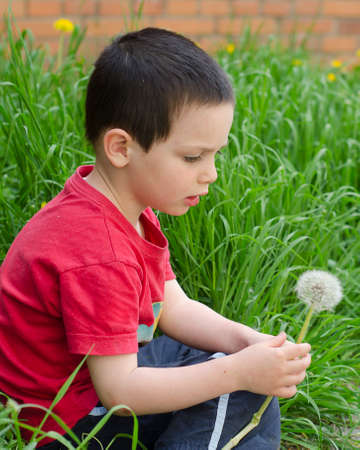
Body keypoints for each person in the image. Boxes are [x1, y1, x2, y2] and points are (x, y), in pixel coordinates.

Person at [0, 28, 311, 449]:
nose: (211, 173)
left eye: (216, 153)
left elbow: (172, 306)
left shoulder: (122, 206)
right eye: (192, 157)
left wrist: (248, 343)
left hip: (95, 381)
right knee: (241, 392)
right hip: (65, 425)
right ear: (121, 148)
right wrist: (241, 373)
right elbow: (121, 392)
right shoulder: (97, 250)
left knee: (232, 372)